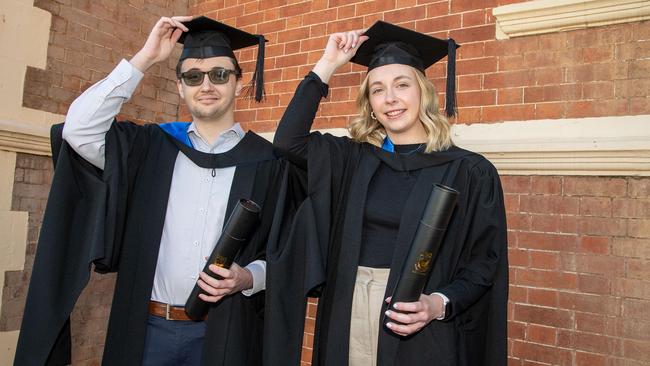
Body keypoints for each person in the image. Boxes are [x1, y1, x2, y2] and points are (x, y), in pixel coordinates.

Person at [15, 16, 280, 366]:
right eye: (192, 76)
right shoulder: (151, 146)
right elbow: (78, 131)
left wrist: (249, 276)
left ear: (237, 82)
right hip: (148, 330)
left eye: (219, 74)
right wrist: (145, 57)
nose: (206, 85)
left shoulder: (268, 160)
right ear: (180, 87)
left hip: (227, 332)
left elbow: (286, 246)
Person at [267, 21, 508, 365]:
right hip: (347, 307)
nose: (390, 98)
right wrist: (327, 65)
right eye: (377, 89)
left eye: (401, 85)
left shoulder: (468, 171)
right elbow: (287, 142)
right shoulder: (354, 158)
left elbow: (485, 262)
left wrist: (437, 303)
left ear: (424, 91)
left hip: (420, 324)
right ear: (370, 102)